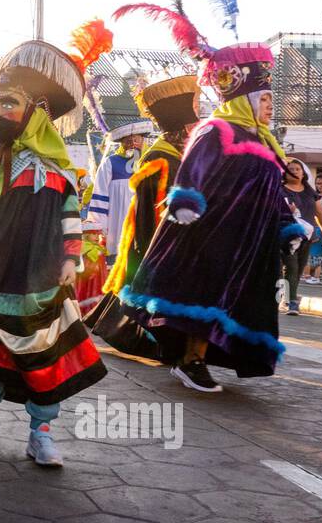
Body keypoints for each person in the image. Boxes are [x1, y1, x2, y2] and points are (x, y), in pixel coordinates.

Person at [0, 25, 111, 467]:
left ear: (37, 113)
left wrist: (70, 258)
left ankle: (41, 431)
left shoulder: (59, 170)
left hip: (44, 273)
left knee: (43, 349)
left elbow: (71, 219)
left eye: (8, 103)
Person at [117, 32, 299, 394]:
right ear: (245, 98)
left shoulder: (265, 140)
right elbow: (192, 170)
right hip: (212, 234)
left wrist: (287, 225)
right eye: (264, 98)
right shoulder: (216, 129)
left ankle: (208, 356)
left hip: (250, 241)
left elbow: (270, 191)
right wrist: (185, 201)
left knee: (238, 301)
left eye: (270, 98)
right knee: (204, 296)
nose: (269, 105)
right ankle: (190, 360)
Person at [87, 72, 201, 353]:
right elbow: (152, 215)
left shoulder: (174, 156)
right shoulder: (158, 159)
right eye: (194, 122)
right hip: (156, 244)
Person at [87, 119, 152, 265]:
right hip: (117, 225)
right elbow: (100, 196)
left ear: (143, 140)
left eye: (136, 140)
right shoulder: (110, 162)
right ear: (122, 143)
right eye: (128, 141)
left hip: (145, 222)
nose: (133, 144)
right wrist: (99, 227)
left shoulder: (151, 162)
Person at [281, 157, 322, 314]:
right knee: (291, 267)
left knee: (299, 269)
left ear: (303, 173)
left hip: (307, 236)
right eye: (290, 169)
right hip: (286, 236)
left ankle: (286, 296)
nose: (294, 172)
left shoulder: (309, 192)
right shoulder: (279, 190)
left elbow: (320, 214)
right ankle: (292, 302)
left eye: (297, 169)